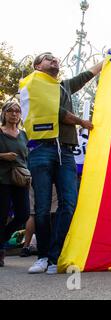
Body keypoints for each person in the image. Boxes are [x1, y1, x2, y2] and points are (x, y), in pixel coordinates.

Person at [23, 52, 102, 274]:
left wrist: (108, 59)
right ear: (38, 65)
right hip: (41, 149)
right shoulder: (34, 84)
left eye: (55, 58)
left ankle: (54, 256)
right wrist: (82, 122)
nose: (53, 60)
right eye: (47, 58)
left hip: (65, 151)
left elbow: (87, 75)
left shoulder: (64, 86)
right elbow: (55, 112)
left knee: (69, 203)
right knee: (42, 206)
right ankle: (42, 257)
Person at [0, 101, 30, 267]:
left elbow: (27, 157)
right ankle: (1, 251)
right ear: (4, 113)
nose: (14, 114)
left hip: (20, 179)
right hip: (2, 179)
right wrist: (3, 156)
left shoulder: (23, 134)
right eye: (10, 111)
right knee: (2, 215)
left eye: (17, 111)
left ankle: (1, 239)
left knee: (23, 214)